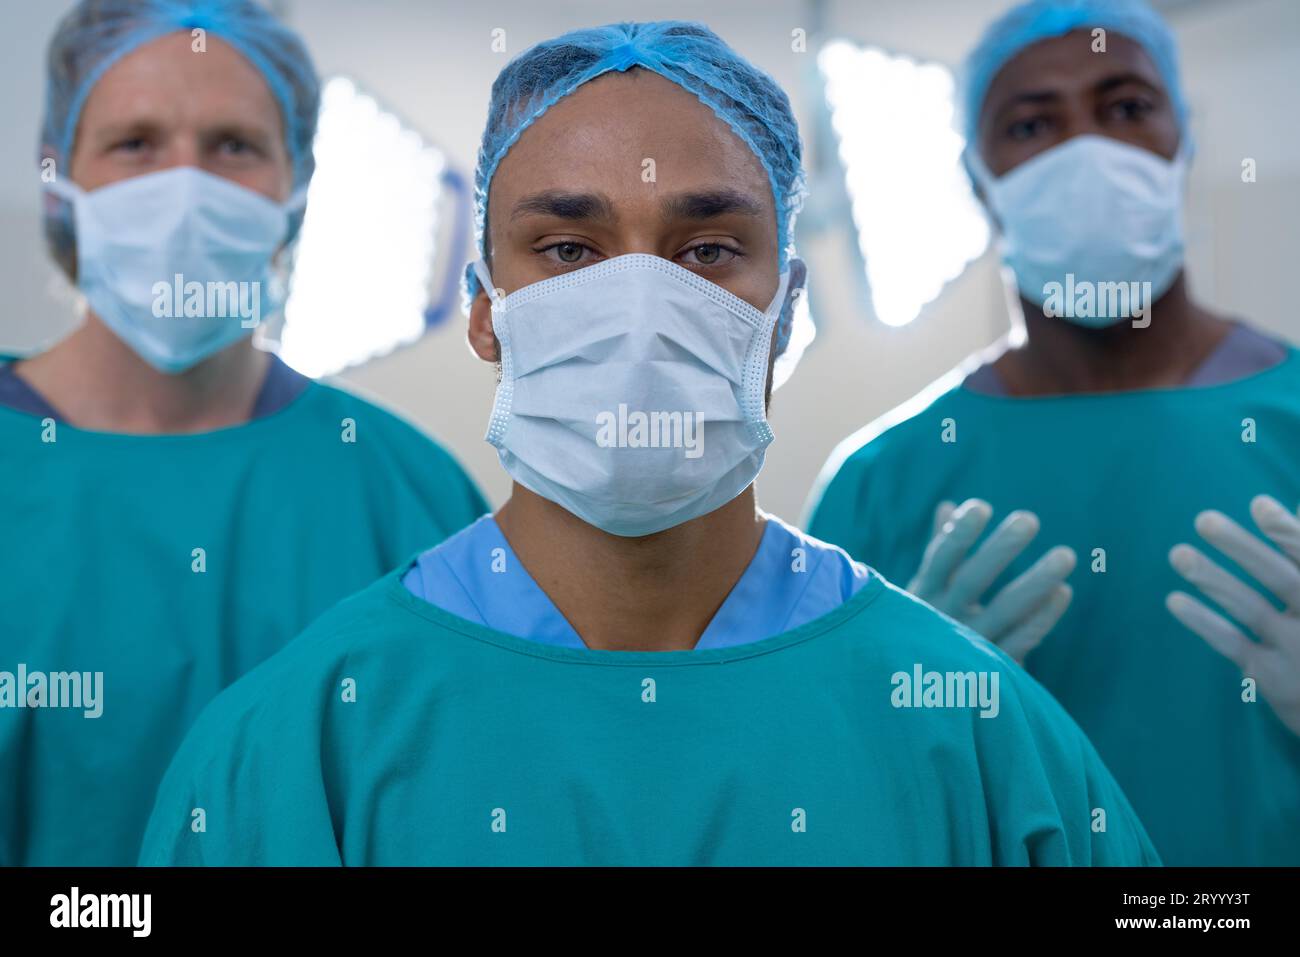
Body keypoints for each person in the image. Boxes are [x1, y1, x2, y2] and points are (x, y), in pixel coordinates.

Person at [139, 21, 1157, 867]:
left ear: (785, 311)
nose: (639, 303)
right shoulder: (305, 743)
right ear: (485, 312)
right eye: (570, 249)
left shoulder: (975, 734)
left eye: (706, 249)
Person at [806, 0, 1300, 865]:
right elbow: (815, 810)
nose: (1086, 151)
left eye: (1126, 107)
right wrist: (903, 730)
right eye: (1033, 123)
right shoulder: (881, 481)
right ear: (975, 176)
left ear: (1185, 138)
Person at [0, 0, 487, 866]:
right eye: (135, 143)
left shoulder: (407, 493)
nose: (184, 187)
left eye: (233, 146)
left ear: (296, 188)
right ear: (59, 177)